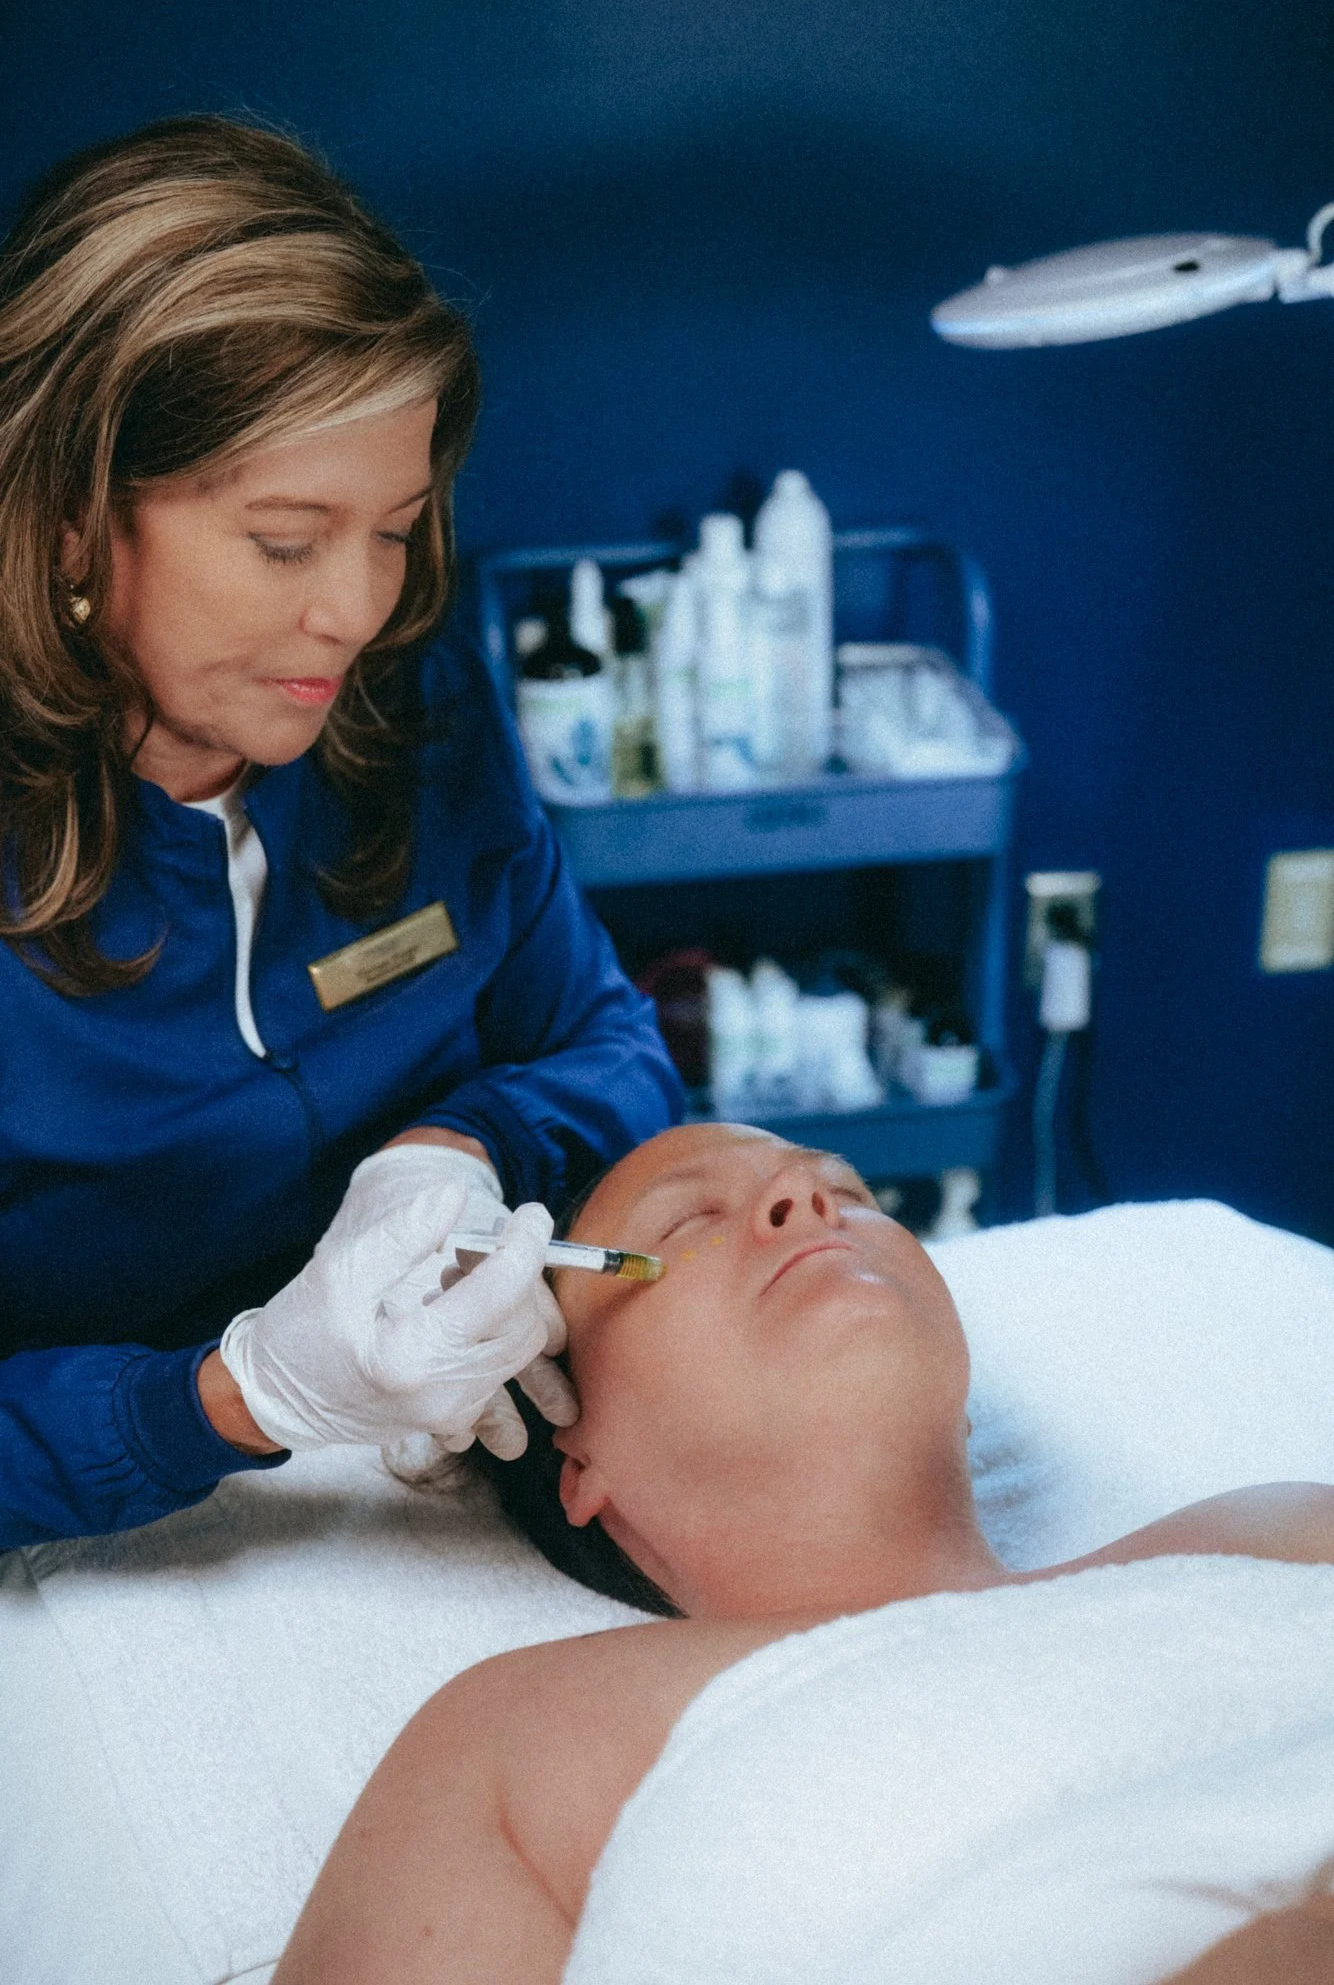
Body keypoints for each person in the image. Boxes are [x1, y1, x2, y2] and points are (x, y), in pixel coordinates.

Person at [0, 117, 682, 1549]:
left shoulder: (411, 706)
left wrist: (457, 1144)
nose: (357, 612)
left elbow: (610, 1046)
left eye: (397, 526)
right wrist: (239, 1397)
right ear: (68, 518)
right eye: (287, 538)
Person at [274, 1122, 1334, 1984]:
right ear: (578, 1451)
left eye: (853, 1192)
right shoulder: (517, 1732)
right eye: (688, 1217)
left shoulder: (1278, 1534)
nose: (807, 1202)